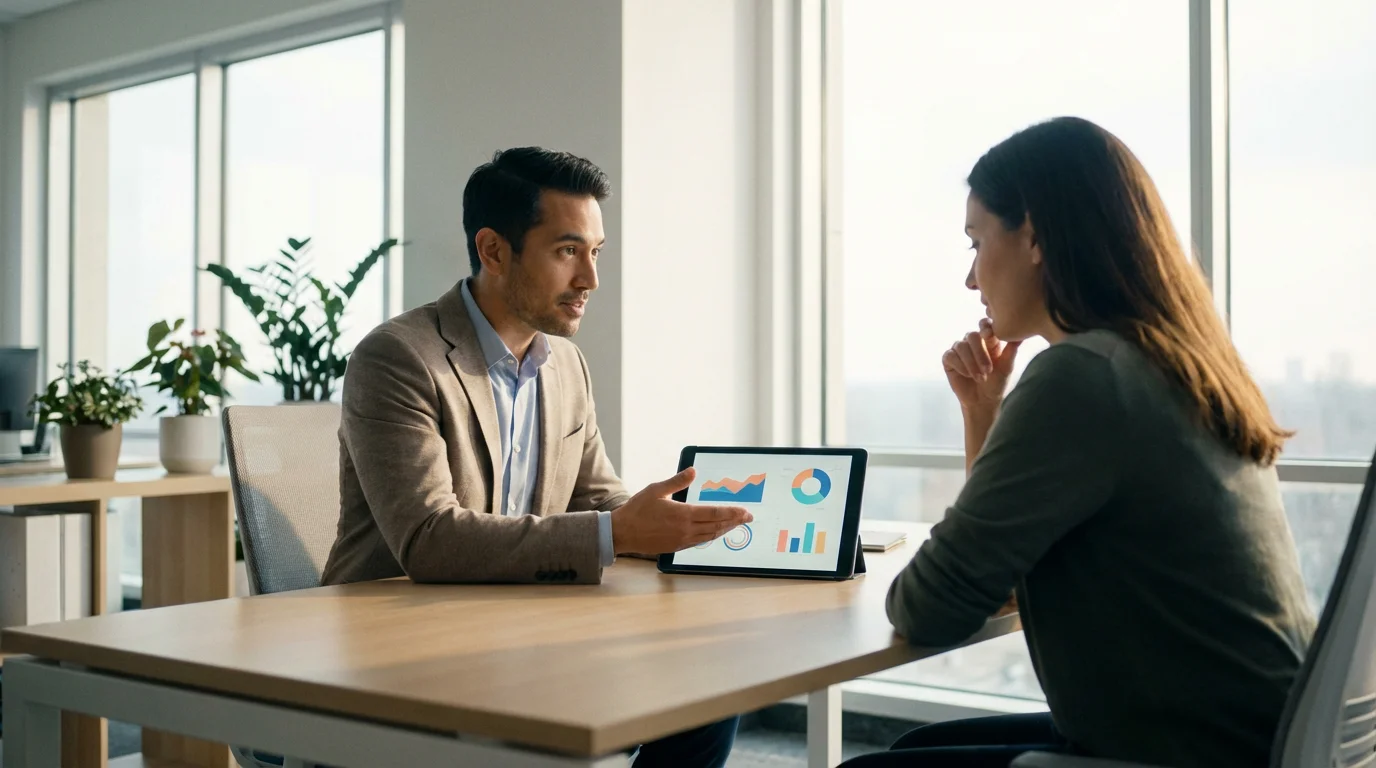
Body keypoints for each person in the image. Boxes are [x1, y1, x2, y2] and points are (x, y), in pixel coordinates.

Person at [841, 117, 1315, 768]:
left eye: (977, 242)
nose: (971, 280)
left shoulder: (1084, 376)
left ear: (1033, 236)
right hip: (1260, 736)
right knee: (916, 749)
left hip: (1187, 753)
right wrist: (986, 412)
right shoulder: (1177, 362)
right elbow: (999, 574)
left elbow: (929, 606)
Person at [320, 147, 749, 767]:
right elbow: (429, 538)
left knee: (705, 689)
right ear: (493, 250)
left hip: (519, 638)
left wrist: (677, 524)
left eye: (595, 253)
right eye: (567, 251)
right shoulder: (399, 358)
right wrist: (616, 532)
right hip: (398, 654)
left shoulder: (565, 364)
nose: (590, 280)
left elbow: (599, 498)